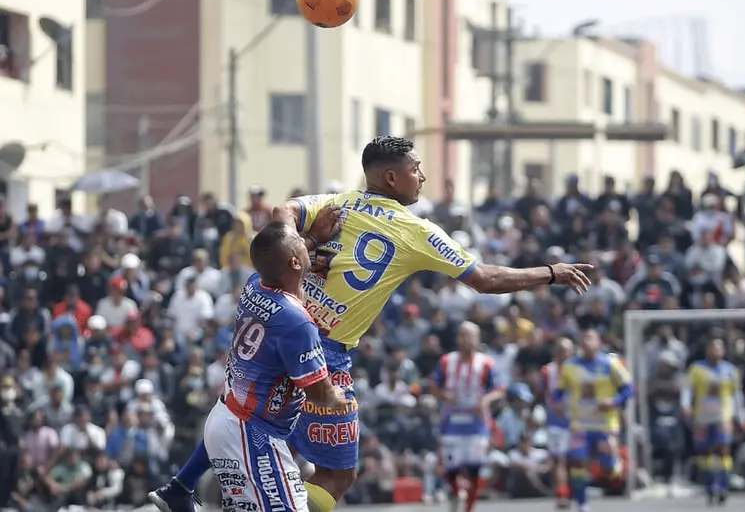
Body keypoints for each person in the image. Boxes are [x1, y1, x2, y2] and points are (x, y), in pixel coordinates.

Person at [153, 136, 593, 512]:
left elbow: (280, 214)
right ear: (390, 178)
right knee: (337, 474)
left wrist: (307, 243)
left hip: (273, 323)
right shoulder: (418, 231)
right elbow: (485, 279)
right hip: (319, 348)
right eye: (416, 169)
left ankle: (181, 486)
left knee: (240, 408)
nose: (422, 177)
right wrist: (549, 273)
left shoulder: (337, 203)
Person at [152, 222, 348, 512]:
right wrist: (339, 397)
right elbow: (319, 393)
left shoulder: (254, 284)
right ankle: (179, 489)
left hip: (226, 418)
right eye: (300, 241)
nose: (306, 243)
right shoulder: (298, 323)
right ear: (294, 261)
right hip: (252, 436)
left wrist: (313, 239)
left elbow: (278, 258)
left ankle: (179, 488)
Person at [554, 329, 633, 512]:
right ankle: (582, 504)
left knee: (609, 470)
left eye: (590, 338)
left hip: (605, 424)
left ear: (599, 342)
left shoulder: (610, 363)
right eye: (583, 339)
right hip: (580, 424)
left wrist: (614, 402)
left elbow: (629, 389)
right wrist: (557, 403)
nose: (586, 342)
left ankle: (613, 463)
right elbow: (559, 390)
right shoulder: (570, 366)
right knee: (578, 463)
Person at [428, 322, 504, 512]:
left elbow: (499, 389)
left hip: (476, 422)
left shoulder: (486, 363)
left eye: (470, 336)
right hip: (452, 420)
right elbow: (433, 385)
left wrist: (486, 400)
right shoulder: (447, 361)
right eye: (463, 335)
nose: (467, 340)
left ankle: (469, 507)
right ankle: (457, 490)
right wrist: (444, 395)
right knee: (449, 467)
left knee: (474, 467)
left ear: (478, 339)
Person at [681, 337, 745, 505]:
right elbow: (688, 389)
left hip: (723, 416)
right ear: (707, 350)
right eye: (712, 348)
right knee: (705, 453)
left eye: (719, 348)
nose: (715, 351)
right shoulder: (697, 369)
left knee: (723, 450)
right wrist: (685, 405)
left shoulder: (731, 370)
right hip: (702, 416)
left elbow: (736, 395)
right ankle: (710, 487)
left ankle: (724, 486)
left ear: (724, 351)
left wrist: (741, 416)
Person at [541, 337, 575, 508]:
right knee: (559, 459)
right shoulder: (548, 371)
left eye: (566, 351)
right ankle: (562, 493)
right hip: (556, 422)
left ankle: (574, 490)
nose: (563, 355)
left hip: (577, 421)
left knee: (576, 460)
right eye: (560, 351)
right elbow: (543, 394)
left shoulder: (579, 370)